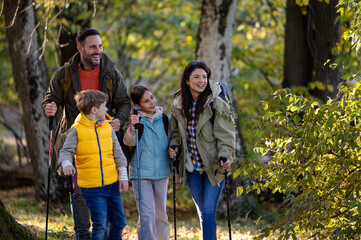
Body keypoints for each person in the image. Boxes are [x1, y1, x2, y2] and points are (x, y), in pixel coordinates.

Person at [42, 28, 131, 240]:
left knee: (107, 191)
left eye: (100, 46)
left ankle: (105, 234)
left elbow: (124, 102)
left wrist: (120, 120)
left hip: (103, 140)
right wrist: (49, 107)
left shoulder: (110, 72)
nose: (97, 51)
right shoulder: (64, 74)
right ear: (80, 47)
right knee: (79, 192)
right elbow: (50, 98)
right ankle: (83, 234)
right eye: (92, 47)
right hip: (75, 138)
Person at [168, 61, 236, 240]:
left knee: (208, 211)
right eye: (196, 77)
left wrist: (226, 155)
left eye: (204, 77)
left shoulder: (216, 102)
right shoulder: (178, 103)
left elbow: (226, 134)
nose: (201, 80)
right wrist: (174, 145)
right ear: (187, 80)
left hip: (214, 165)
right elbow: (175, 132)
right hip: (192, 168)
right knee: (202, 211)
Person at [59, 90, 128, 240]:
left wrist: (123, 176)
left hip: (112, 184)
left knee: (119, 223)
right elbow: (65, 151)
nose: (107, 110)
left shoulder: (107, 127)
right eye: (104, 106)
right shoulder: (76, 130)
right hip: (91, 187)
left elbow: (119, 154)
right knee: (100, 225)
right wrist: (66, 164)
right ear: (94, 110)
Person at [123, 85, 171, 240]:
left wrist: (174, 149)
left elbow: (174, 141)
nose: (152, 102)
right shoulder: (136, 121)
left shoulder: (165, 119)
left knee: (161, 213)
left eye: (151, 97)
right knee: (147, 213)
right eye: (146, 101)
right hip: (141, 174)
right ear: (137, 106)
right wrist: (132, 126)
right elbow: (128, 142)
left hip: (162, 172)